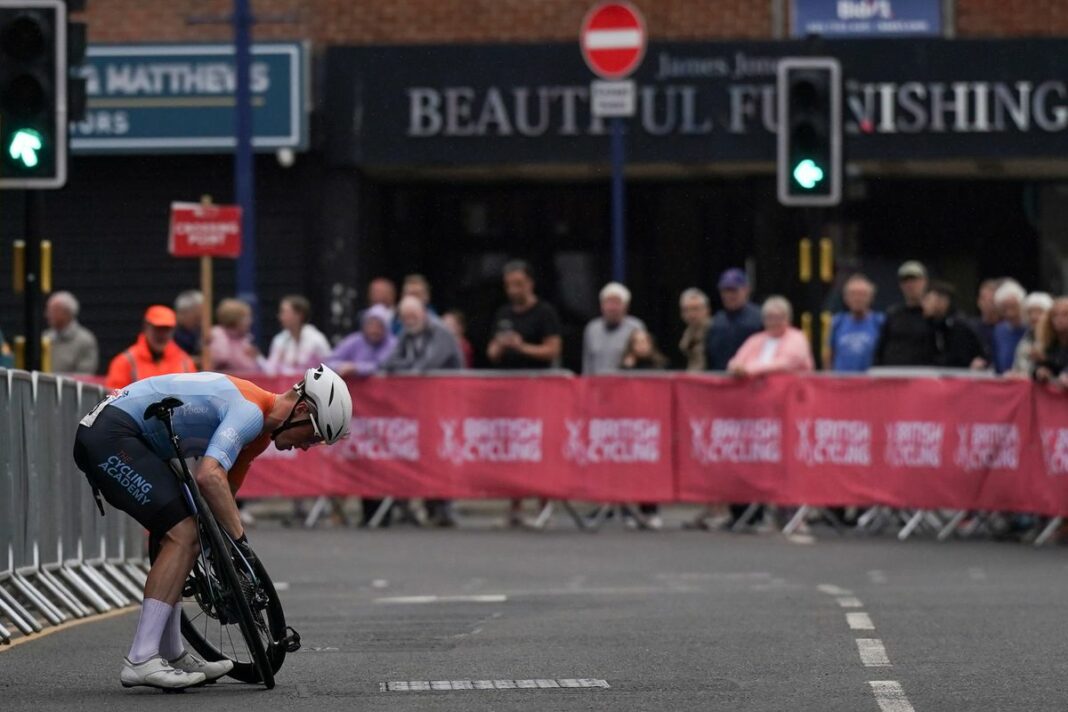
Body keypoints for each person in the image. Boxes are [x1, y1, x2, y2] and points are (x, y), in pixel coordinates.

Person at [72, 365, 352, 690]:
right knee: (184, 534)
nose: (308, 446)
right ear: (301, 409)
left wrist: (223, 552)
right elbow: (209, 475)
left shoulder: (260, 436)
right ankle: (140, 658)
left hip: (128, 437)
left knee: (190, 533)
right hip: (110, 436)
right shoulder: (249, 412)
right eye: (314, 434)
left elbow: (223, 495)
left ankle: (171, 652)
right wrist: (241, 546)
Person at [486, 260, 563, 526]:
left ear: (530, 283)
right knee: (512, 446)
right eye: (509, 285)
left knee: (538, 447)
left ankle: (544, 504)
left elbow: (552, 350)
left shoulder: (545, 312)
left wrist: (522, 346)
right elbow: (492, 354)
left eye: (518, 284)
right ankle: (515, 505)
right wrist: (500, 344)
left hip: (539, 390)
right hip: (510, 391)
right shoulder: (503, 313)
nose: (513, 290)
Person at [383, 296, 463, 527]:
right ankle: (424, 505)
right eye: (405, 318)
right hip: (419, 406)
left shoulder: (441, 333)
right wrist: (406, 366)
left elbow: (426, 366)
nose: (409, 322)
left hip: (446, 404)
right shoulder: (407, 334)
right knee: (420, 451)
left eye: (413, 317)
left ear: (424, 315)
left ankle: (443, 506)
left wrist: (405, 367)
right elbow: (388, 363)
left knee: (441, 453)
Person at [619, 328, 668, 530]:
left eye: (644, 341)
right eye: (636, 342)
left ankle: (651, 510)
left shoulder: (660, 365)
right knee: (628, 469)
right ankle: (628, 512)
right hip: (630, 424)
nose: (641, 345)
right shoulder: (623, 367)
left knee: (651, 470)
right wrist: (626, 367)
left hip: (653, 425)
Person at [105, 306, 196, 389]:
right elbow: (113, 400)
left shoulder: (185, 363)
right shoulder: (124, 363)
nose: (162, 335)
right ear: (146, 327)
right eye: (158, 328)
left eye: (166, 329)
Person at [727, 296, 815, 377]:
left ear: (788, 318)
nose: (774, 322)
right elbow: (736, 362)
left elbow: (786, 363)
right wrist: (735, 367)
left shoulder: (797, 337)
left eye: (778, 317)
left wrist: (748, 370)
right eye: (769, 317)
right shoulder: (755, 339)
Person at [874, 260, 932, 366]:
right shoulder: (893, 314)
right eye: (905, 281)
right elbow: (880, 348)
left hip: (924, 377)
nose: (910, 285)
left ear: (925, 281)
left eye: (914, 280)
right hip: (894, 376)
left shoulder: (934, 315)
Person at [705, 268, 763, 371]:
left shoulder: (760, 318)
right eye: (725, 291)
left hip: (751, 380)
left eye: (734, 290)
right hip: (720, 380)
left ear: (746, 289)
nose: (729, 295)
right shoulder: (716, 320)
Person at [583, 282, 645, 374]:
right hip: (598, 384)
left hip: (626, 384)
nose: (612, 308)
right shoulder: (592, 329)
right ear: (601, 305)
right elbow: (587, 364)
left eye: (617, 303)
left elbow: (645, 360)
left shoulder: (636, 327)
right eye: (609, 302)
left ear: (626, 306)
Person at [922, 281, 987, 369]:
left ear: (943, 302)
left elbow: (958, 360)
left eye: (928, 299)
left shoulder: (959, 327)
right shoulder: (933, 325)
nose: (923, 304)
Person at [263, 295, 332, 377]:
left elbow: (329, 367)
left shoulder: (316, 340)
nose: (280, 316)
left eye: (284, 312)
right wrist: (257, 358)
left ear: (299, 315)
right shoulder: (279, 340)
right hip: (285, 388)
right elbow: (270, 370)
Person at [827, 274, 883, 373]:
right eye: (853, 294)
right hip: (842, 383)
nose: (857, 299)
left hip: (871, 383)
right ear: (846, 298)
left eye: (862, 294)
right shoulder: (837, 322)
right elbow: (829, 355)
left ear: (871, 297)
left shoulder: (879, 322)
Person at [327, 304, 397, 376]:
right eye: (370, 324)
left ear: (386, 328)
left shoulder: (392, 343)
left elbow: (382, 366)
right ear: (364, 326)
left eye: (379, 326)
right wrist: (341, 366)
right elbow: (329, 361)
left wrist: (356, 368)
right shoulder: (354, 340)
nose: (374, 330)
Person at [43, 290, 99, 374]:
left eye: (53, 311)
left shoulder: (85, 341)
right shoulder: (46, 337)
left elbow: (85, 375)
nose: (47, 315)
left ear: (66, 313)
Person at [209, 298, 262, 374]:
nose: (250, 321)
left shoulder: (245, 339)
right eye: (246, 318)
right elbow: (222, 357)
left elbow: (253, 366)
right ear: (234, 319)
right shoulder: (218, 333)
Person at [1012, 292, 1053, 376]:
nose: (1034, 317)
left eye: (1039, 312)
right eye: (1030, 312)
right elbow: (1018, 364)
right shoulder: (1026, 337)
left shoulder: (1055, 338)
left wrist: (1044, 359)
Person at [991, 280, 1028, 375]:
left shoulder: (1031, 329)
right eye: (1005, 308)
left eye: (1013, 307)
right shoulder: (999, 331)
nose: (1009, 313)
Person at [1033, 297, 1068, 386]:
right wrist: (1040, 370)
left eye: (1065, 314)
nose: (1059, 319)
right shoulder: (1049, 343)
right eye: (1055, 315)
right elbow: (1036, 369)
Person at [969, 278, 1005, 363]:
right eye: (984, 298)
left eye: (992, 299)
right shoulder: (970, 328)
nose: (988, 303)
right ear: (978, 301)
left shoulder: (1008, 329)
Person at [678, 288, 711, 371]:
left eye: (695, 309)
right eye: (686, 310)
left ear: (706, 310)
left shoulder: (715, 330)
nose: (691, 314)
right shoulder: (688, 331)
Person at [172, 290, 204, 366]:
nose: (200, 320)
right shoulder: (171, 334)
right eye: (196, 317)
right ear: (183, 313)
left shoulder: (198, 332)